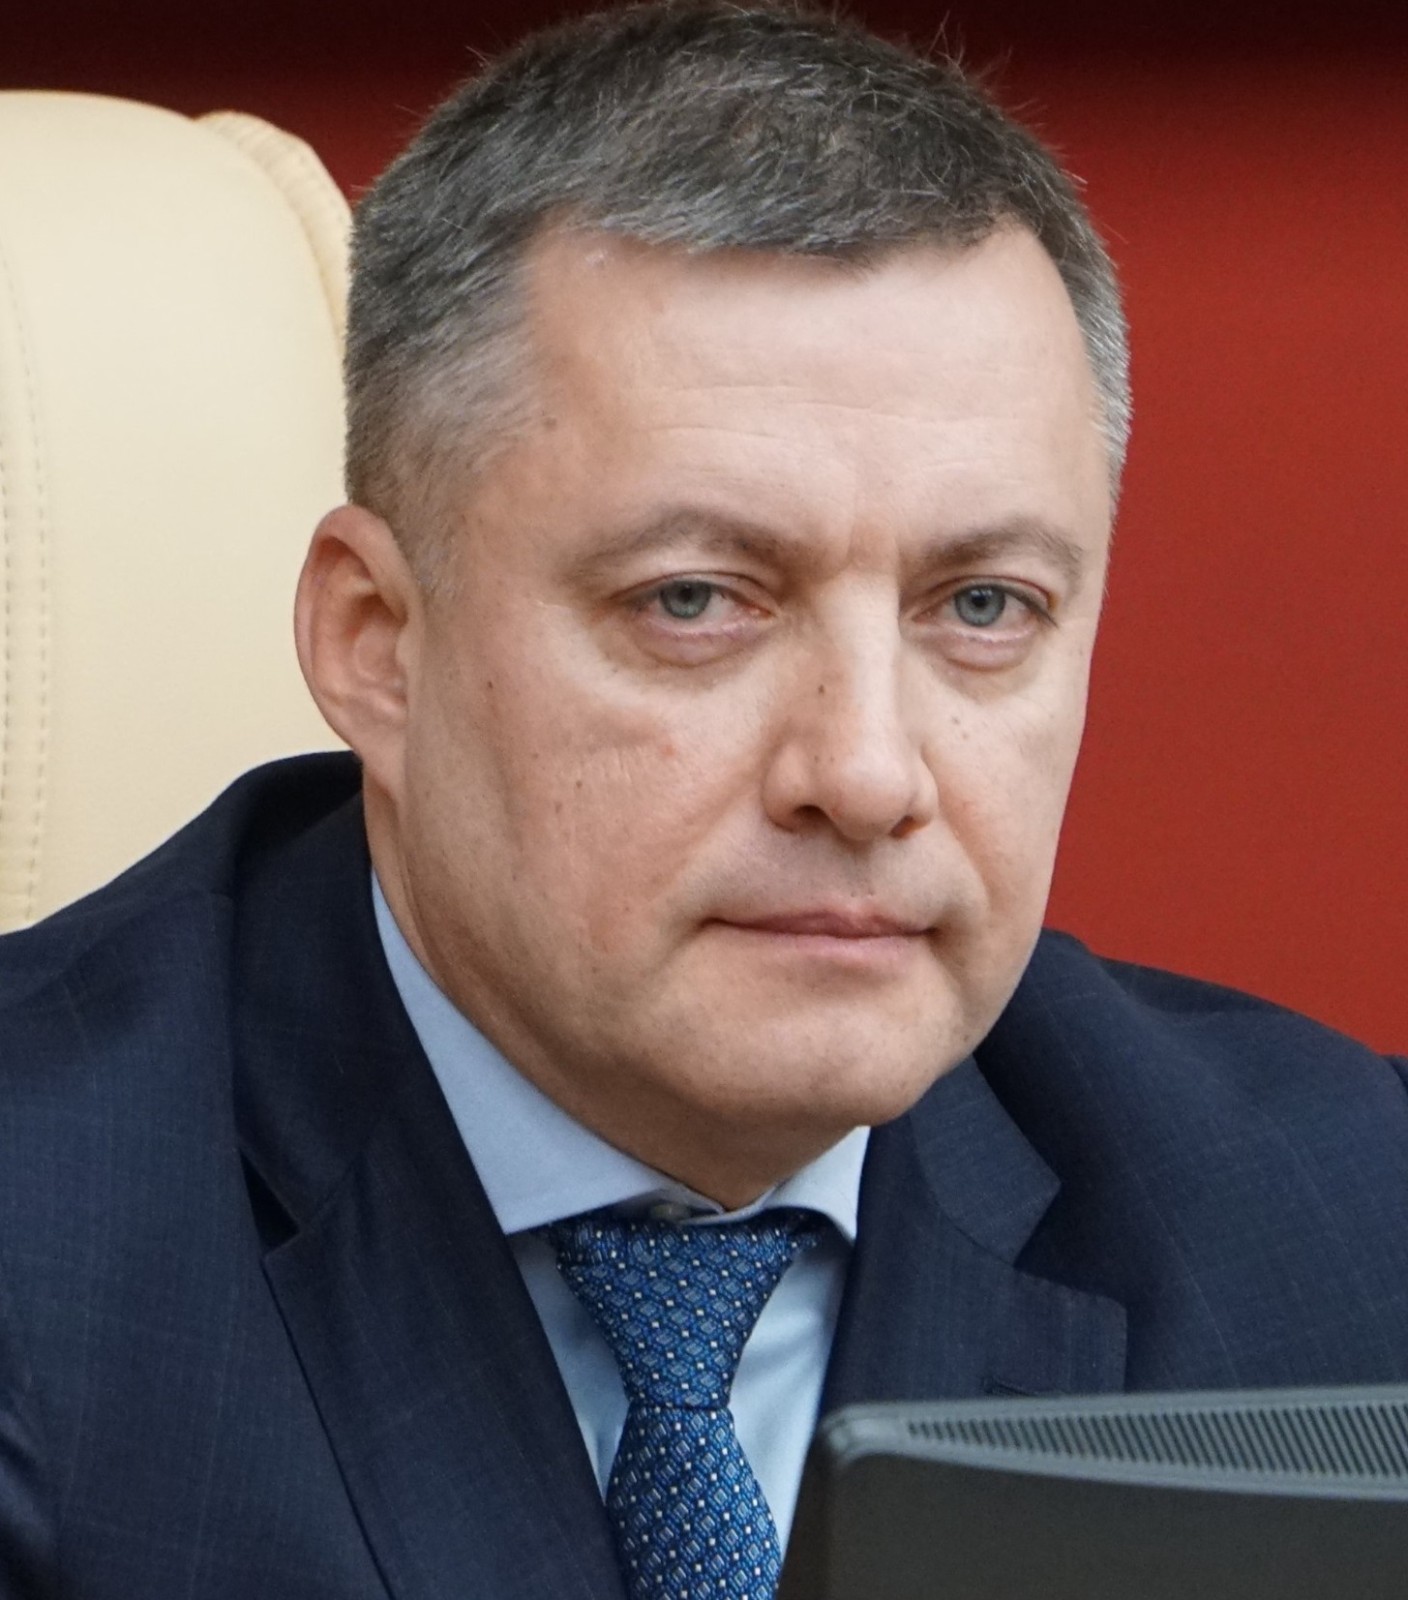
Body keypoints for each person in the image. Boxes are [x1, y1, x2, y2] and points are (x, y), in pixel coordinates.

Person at [2, 4, 1406, 1598]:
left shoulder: (1345, 1228)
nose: (867, 774)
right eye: (695, 602)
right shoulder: (46, 1257)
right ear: (377, 643)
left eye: (983, 608)